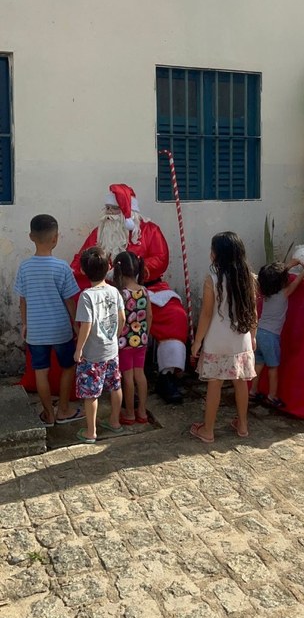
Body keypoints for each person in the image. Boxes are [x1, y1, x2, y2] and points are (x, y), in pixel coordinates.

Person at [71, 183, 188, 404]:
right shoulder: (99, 233)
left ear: (128, 212)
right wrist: (77, 268)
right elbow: (82, 257)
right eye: (106, 208)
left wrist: (133, 270)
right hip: (108, 292)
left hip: (147, 288)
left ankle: (167, 375)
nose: (108, 214)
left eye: (113, 209)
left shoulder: (150, 230)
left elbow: (161, 258)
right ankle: (113, 379)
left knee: (175, 315)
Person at [14, 214, 83, 427]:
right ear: (56, 238)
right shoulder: (62, 268)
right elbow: (70, 301)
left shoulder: (24, 268)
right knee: (68, 367)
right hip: (60, 329)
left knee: (40, 372)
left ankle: (48, 415)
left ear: (31, 237)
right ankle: (63, 409)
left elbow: (22, 301)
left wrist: (25, 324)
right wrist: (75, 324)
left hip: (36, 330)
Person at [190, 231, 257, 443]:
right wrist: (253, 336)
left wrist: (197, 341)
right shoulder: (248, 277)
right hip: (241, 338)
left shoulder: (212, 279)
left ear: (217, 254)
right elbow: (253, 310)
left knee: (215, 384)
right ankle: (243, 425)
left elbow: (207, 314)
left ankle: (208, 430)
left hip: (217, 341)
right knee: (240, 383)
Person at [74, 246, 126, 443]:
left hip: (92, 354)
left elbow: (86, 325)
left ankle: (91, 432)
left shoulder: (87, 296)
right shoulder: (114, 291)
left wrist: (79, 349)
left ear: (84, 271)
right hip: (112, 350)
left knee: (91, 393)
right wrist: (115, 335)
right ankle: (115, 422)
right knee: (115, 386)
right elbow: (122, 318)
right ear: (109, 266)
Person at [250, 260, 304, 408]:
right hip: (271, 336)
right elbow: (298, 281)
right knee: (273, 368)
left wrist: (289, 265)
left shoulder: (266, 291)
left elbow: (273, 276)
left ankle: (253, 392)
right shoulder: (284, 293)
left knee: (259, 364)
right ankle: (272, 396)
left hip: (259, 333)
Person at [113, 250, 152, 425]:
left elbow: (118, 319)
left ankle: (129, 413)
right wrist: (145, 333)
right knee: (140, 375)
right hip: (141, 339)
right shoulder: (144, 290)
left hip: (124, 342)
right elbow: (149, 316)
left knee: (127, 377)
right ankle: (142, 412)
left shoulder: (120, 293)